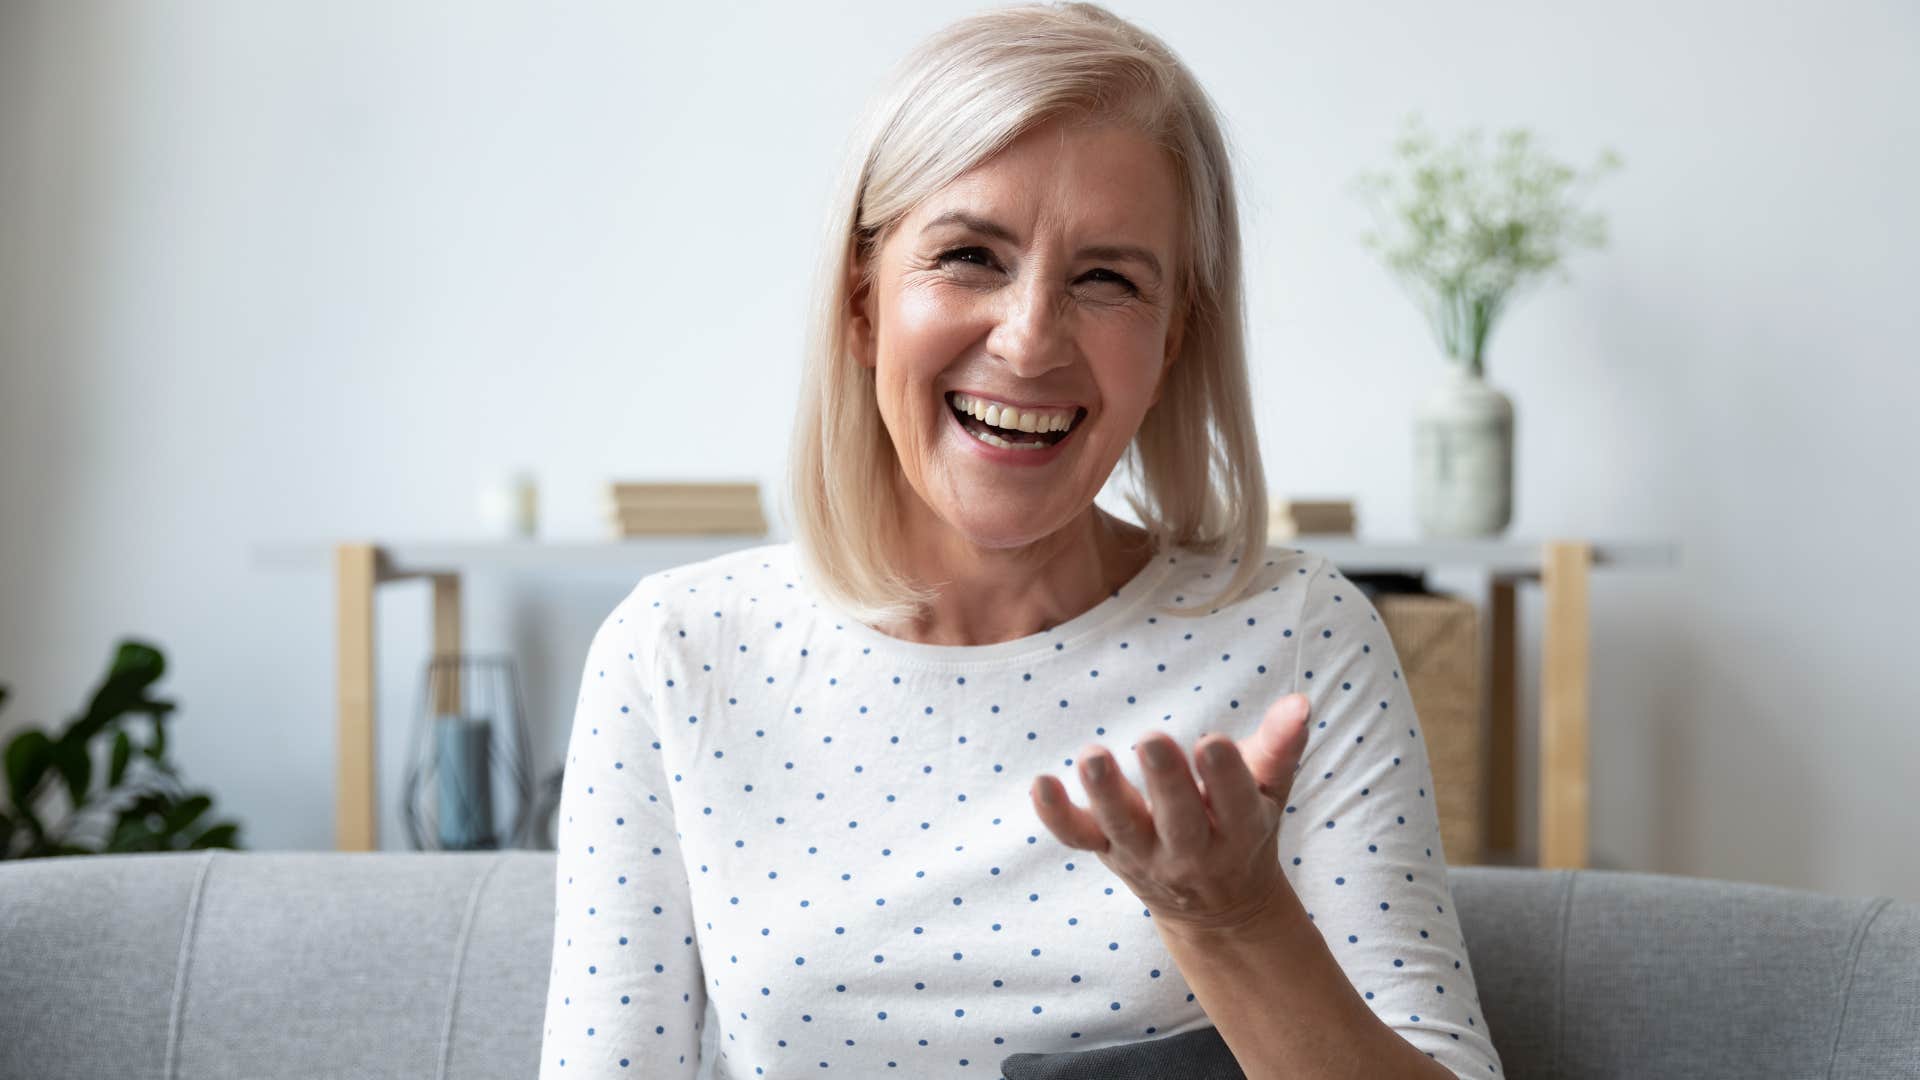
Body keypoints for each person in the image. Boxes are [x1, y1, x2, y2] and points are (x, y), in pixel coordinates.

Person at [538, 3, 1503, 1077]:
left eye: (1107, 280)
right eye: (969, 256)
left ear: (1172, 338)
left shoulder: (1299, 636)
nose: (1031, 339)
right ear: (862, 303)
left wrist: (1235, 921)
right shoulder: (678, 651)